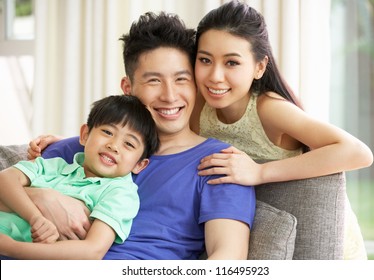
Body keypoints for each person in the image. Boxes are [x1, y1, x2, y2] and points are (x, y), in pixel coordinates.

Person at [25, 11, 256, 260]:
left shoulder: (221, 164)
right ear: (128, 88)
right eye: (154, 81)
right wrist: (41, 197)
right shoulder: (80, 149)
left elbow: (227, 262)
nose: (169, 95)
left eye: (181, 79)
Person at [189, 0, 374, 260]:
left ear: (259, 67)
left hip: (318, 239)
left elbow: (358, 153)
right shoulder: (198, 104)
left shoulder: (269, 109)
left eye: (231, 63)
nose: (215, 76)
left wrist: (260, 172)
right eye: (205, 60)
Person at [0, 95, 159, 259]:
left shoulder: (120, 193)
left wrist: (11, 248)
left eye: (129, 144)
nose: (114, 146)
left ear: (139, 164)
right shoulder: (54, 166)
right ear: (85, 135)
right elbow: (5, 179)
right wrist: (35, 217)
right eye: (107, 132)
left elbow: (92, 251)